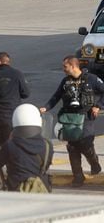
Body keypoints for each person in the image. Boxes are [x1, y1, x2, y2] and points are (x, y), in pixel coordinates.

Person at [40, 56, 104, 186]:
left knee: (85, 143)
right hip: (70, 117)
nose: (63, 69)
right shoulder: (65, 81)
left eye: (65, 66)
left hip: (85, 116)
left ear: (73, 66)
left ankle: (94, 163)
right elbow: (56, 96)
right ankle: (78, 177)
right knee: (72, 147)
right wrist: (46, 108)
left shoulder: (91, 79)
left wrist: (98, 106)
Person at [0, 52, 30, 188]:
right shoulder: (17, 74)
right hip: (13, 118)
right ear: (8, 61)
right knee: (13, 148)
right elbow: (26, 93)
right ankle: (12, 179)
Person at [0, 104, 53, 192]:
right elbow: (46, 165)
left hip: (16, 189)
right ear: (39, 121)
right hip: (40, 189)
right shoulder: (47, 145)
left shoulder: (10, 145)